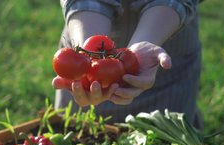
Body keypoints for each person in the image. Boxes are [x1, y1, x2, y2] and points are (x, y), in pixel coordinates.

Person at [52, 0, 203, 128]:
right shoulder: (85, 65)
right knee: (78, 135)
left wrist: (148, 40)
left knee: (167, 144)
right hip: (84, 26)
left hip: (167, 40)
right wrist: (85, 48)